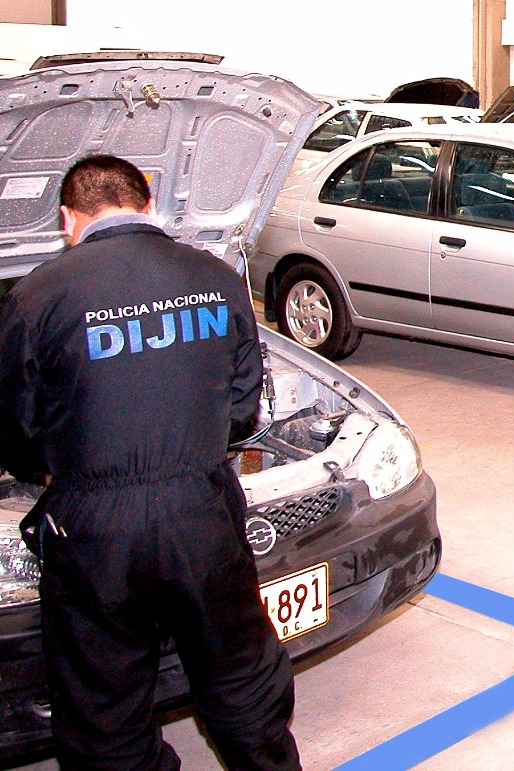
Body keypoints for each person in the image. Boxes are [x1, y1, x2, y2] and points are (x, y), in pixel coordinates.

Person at [0, 155, 301, 770]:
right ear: (150, 203)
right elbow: (244, 404)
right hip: (202, 510)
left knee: (105, 706)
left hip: (93, 525)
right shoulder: (214, 277)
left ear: (67, 219)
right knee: (242, 678)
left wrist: (53, 468)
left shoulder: (38, 294)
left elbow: (15, 425)